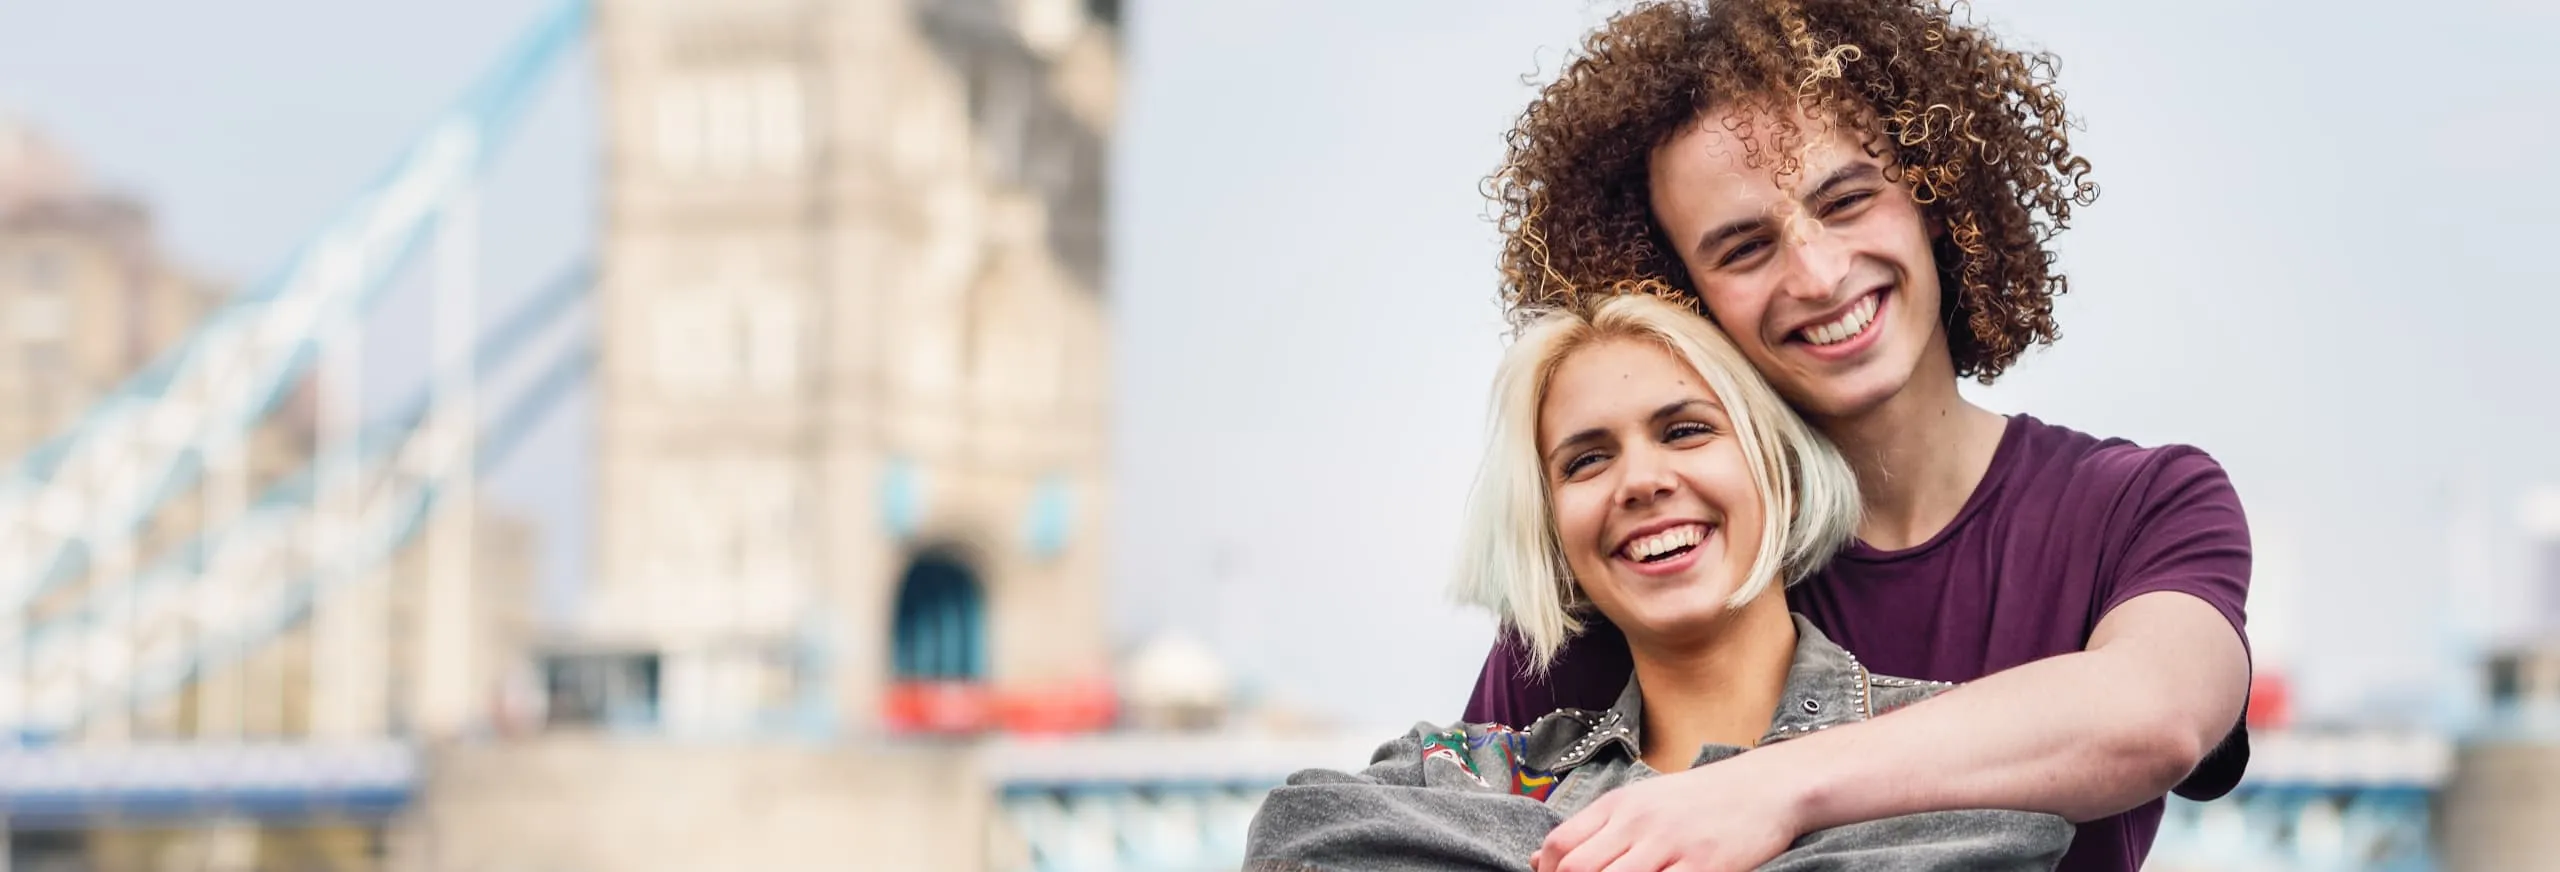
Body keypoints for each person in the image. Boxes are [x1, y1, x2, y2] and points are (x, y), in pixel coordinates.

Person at [1465, 2, 2254, 871]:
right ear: (1678, 298)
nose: (1819, 271)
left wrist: (1768, 787)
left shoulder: (2141, 505)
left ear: (1937, 193)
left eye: (1846, 200)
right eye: (1742, 248)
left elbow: (2157, 716)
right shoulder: (1649, 566)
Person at [1246, 293, 2072, 872]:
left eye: (1685, 430)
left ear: (1777, 469)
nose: (1639, 481)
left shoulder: (1945, 746)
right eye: (1587, 459)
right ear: (1553, 531)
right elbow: (1302, 833)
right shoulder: (1466, 769)